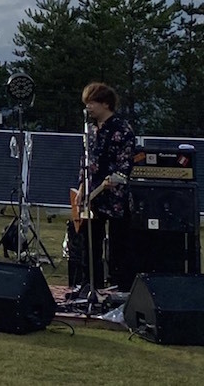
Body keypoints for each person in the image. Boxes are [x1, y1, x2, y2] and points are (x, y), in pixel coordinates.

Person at [76, 81, 136, 291]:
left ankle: (120, 286)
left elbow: (126, 162)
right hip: (92, 195)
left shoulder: (122, 128)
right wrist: (82, 186)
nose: (88, 107)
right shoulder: (90, 130)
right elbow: (85, 160)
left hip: (115, 195)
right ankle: (90, 284)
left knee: (119, 243)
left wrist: (114, 179)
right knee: (89, 242)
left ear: (105, 104)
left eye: (92, 102)